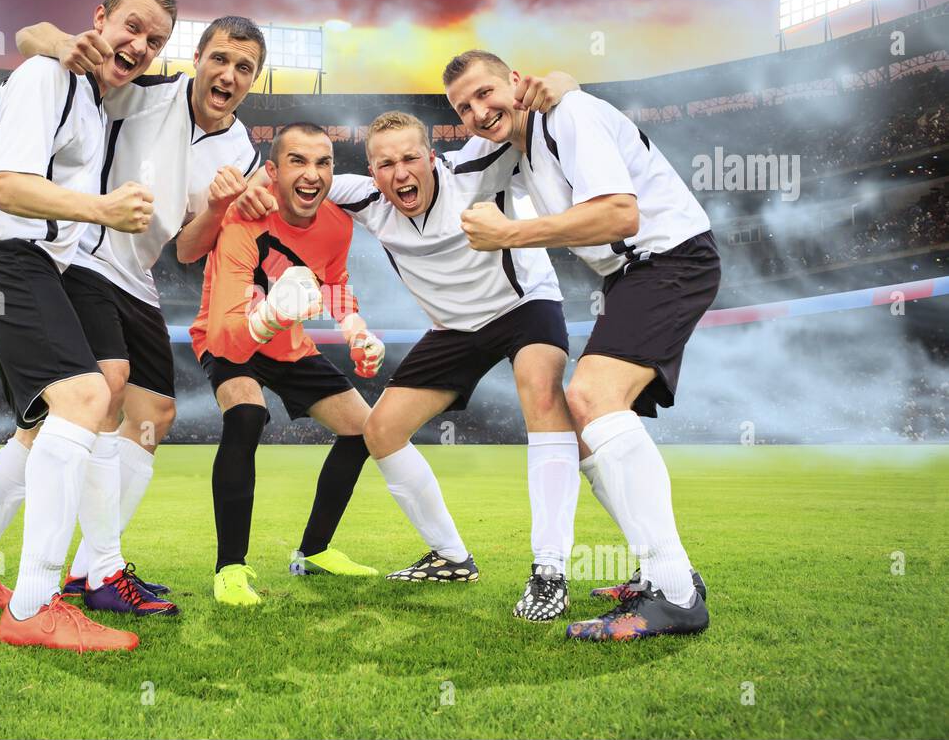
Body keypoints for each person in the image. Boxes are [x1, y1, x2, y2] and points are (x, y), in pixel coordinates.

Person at [0, 0, 175, 650]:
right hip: (5, 256)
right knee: (87, 397)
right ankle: (35, 605)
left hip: (38, 267)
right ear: (100, 17)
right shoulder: (50, 76)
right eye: (132, 26)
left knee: (52, 424)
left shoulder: (90, 100)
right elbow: (4, 186)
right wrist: (101, 210)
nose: (140, 45)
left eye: (155, 41)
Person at [446, 49, 716, 640]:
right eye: (463, 107)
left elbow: (620, 214)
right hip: (634, 277)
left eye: (486, 93)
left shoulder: (567, 115)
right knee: (581, 418)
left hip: (670, 259)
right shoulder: (520, 145)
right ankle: (664, 576)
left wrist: (511, 234)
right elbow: (446, 172)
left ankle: (674, 594)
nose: (477, 111)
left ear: (516, 82)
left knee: (592, 398)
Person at [13, 16, 274, 599]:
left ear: (254, 80)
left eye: (244, 68)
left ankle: (85, 567)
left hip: (136, 277)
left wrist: (218, 208)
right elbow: (31, 39)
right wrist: (60, 42)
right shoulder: (141, 92)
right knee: (103, 389)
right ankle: (71, 573)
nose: (229, 75)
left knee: (155, 415)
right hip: (83, 253)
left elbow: (186, 249)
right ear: (198, 58)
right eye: (221, 59)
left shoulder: (243, 152)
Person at [325, 99, 579, 621]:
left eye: (410, 158)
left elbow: (522, 115)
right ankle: (451, 557)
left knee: (543, 398)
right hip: (453, 328)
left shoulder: (476, 170)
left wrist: (559, 88)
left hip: (523, 305)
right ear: (371, 171)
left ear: (433, 156)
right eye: (386, 164)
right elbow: (289, 178)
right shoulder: (364, 198)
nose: (400, 173)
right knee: (381, 431)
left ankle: (550, 570)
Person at [190, 123, 385, 605]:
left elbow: (335, 284)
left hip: (289, 345)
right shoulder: (242, 219)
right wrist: (272, 313)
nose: (312, 174)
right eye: (298, 161)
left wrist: (357, 331)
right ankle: (230, 568)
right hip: (228, 335)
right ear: (273, 171)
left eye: (323, 163)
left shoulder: (338, 223)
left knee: (366, 429)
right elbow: (230, 337)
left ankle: (314, 551)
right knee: (247, 414)